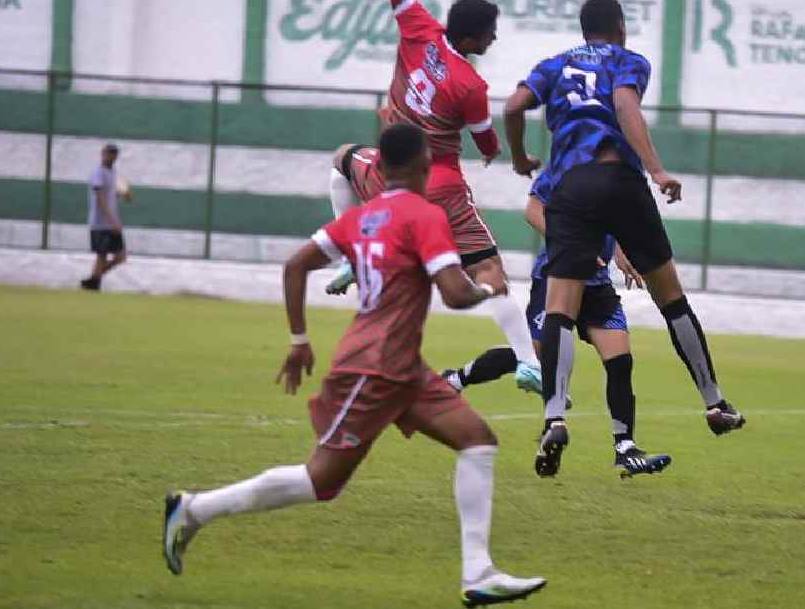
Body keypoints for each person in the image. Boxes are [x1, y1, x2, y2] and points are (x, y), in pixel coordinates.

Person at [162, 124, 547, 608]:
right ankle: (193, 510)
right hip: (374, 368)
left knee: (477, 440)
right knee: (319, 480)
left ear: (381, 167)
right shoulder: (426, 215)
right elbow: (454, 292)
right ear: (427, 165)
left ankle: (478, 573)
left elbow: (296, 265)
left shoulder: (363, 216)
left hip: (403, 368)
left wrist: (300, 340)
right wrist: (489, 290)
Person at [503, 0, 746, 478]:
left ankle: (554, 416)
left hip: (570, 188)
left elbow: (513, 106)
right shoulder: (628, 61)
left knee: (560, 309)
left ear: (583, 27)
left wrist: (519, 156)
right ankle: (714, 402)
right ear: (619, 27)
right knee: (671, 298)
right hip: (620, 180)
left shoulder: (553, 65)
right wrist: (656, 171)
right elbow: (623, 102)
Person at [324, 0, 541, 396]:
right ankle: (528, 361)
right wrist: (496, 154)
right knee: (488, 268)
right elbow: (486, 142)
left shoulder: (416, 25)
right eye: (490, 33)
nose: (493, 39)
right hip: (439, 188)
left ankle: (353, 250)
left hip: (385, 174)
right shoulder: (470, 83)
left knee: (340, 162)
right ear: (472, 37)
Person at [442, 171, 671, 478]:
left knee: (620, 360)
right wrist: (574, 246)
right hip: (557, 275)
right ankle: (456, 380)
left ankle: (625, 449)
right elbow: (533, 211)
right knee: (530, 356)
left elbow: (613, 219)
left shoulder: (617, 168)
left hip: (597, 283)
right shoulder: (564, 164)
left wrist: (619, 250)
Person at [81, 143, 131, 291]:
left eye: (113, 153)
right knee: (101, 255)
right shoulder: (98, 172)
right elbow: (100, 198)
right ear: (102, 154)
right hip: (100, 222)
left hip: (112, 221)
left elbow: (111, 194)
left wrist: (124, 195)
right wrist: (112, 221)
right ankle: (93, 283)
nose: (110, 156)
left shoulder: (113, 173)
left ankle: (93, 280)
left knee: (120, 257)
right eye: (108, 153)